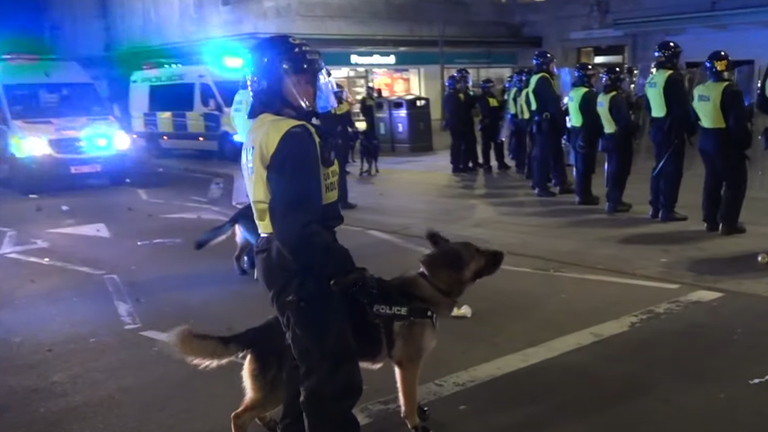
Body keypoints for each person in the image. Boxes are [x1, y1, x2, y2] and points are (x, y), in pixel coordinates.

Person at [240, 35, 364, 432]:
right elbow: (297, 224)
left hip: (277, 254)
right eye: (299, 78)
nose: (308, 87)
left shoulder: (266, 126)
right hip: (300, 260)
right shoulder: (292, 136)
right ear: (272, 82)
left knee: (303, 360)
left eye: (311, 78)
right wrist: (341, 264)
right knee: (332, 372)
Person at [691, 50, 750, 235]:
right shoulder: (731, 91)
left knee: (712, 181)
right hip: (725, 143)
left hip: (706, 141)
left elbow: (695, 117)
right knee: (735, 183)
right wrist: (744, 144)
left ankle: (710, 221)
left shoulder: (699, 90)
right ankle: (728, 223)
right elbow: (737, 124)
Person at [644, 40, 697, 222]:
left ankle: (655, 207)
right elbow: (681, 108)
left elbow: (647, 106)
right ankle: (667, 209)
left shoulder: (653, 78)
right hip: (672, 131)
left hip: (657, 128)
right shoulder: (674, 78)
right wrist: (690, 130)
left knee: (658, 168)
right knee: (673, 171)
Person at [528, 50, 573, 197]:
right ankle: (540, 186)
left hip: (542, 122)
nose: (554, 67)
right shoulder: (544, 79)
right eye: (552, 64)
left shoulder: (537, 78)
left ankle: (561, 182)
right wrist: (562, 124)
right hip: (547, 123)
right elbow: (552, 103)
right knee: (544, 156)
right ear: (546, 65)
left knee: (555, 154)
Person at [598, 66, 639, 214]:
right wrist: (636, 127)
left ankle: (612, 199)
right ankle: (614, 201)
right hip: (620, 140)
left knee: (613, 170)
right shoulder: (616, 98)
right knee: (620, 172)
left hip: (608, 136)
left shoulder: (602, 96)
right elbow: (624, 122)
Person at [566, 62, 602, 205]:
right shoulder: (589, 94)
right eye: (593, 76)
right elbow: (591, 118)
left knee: (580, 166)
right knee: (585, 167)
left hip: (575, 131)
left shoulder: (574, 92)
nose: (595, 79)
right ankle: (584, 196)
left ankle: (582, 193)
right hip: (585, 133)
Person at [332, 83, 358, 209]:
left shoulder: (326, 106)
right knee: (340, 172)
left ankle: (335, 200)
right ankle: (342, 200)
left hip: (334, 141)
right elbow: (349, 122)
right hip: (340, 141)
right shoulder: (341, 107)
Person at [477, 78, 511, 172]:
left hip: (495, 125)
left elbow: (496, 108)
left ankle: (501, 162)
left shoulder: (492, 97)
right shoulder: (482, 98)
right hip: (487, 125)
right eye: (491, 87)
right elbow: (488, 111)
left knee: (499, 144)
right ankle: (486, 164)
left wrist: (503, 105)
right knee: (486, 146)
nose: (494, 89)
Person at [454, 68, 480, 171]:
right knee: (461, 144)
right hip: (460, 122)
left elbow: (473, 104)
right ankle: (461, 164)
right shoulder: (456, 92)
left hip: (468, 120)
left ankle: (474, 161)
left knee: (471, 142)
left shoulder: (468, 91)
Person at [444, 75, 469, 173]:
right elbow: (455, 111)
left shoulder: (451, 95)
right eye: (459, 83)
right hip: (457, 124)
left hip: (455, 123)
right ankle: (456, 165)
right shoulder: (453, 96)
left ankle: (458, 164)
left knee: (457, 144)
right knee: (457, 145)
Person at [517, 68, 535, 180]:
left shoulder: (523, 91)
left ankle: (528, 170)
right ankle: (530, 172)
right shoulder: (528, 92)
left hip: (524, 120)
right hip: (530, 121)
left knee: (529, 148)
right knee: (532, 149)